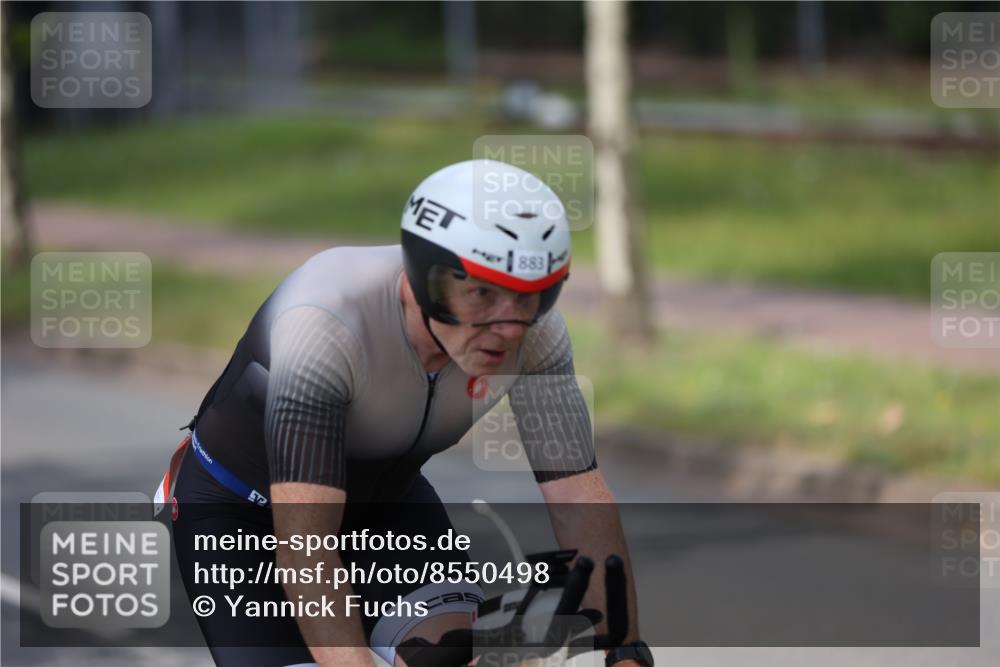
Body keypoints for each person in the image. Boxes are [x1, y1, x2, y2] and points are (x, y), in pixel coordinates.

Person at [165, 160, 652, 667]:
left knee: (457, 660)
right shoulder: (327, 320)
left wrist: (626, 650)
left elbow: (576, 495)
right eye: (482, 293)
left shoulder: (537, 333)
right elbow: (305, 545)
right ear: (426, 279)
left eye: (535, 295)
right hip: (246, 521)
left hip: (386, 510)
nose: (508, 328)